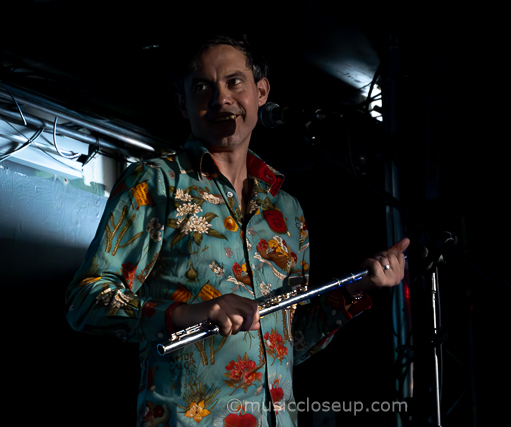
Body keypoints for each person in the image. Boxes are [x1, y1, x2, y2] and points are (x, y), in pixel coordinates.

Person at [65, 32, 409, 426]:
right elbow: (84, 302)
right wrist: (186, 313)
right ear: (183, 104)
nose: (220, 98)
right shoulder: (155, 184)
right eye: (202, 87)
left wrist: (356, 289)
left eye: (234, 82)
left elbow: (289, 342)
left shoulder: (287, 210)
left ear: (261, 92)